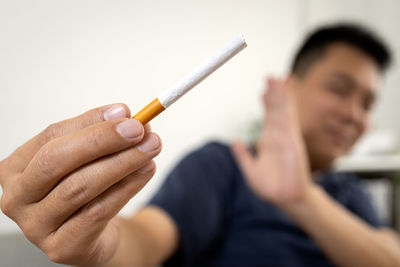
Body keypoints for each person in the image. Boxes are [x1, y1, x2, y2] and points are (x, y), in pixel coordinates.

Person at [1, 23, 400, 267]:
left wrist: (302, 199)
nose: (354, 114)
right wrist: (99, 242)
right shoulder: (222, 165)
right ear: (289, 87)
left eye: (368, 103)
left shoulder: (351, 193)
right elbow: (146, 238)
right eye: (340, 90)